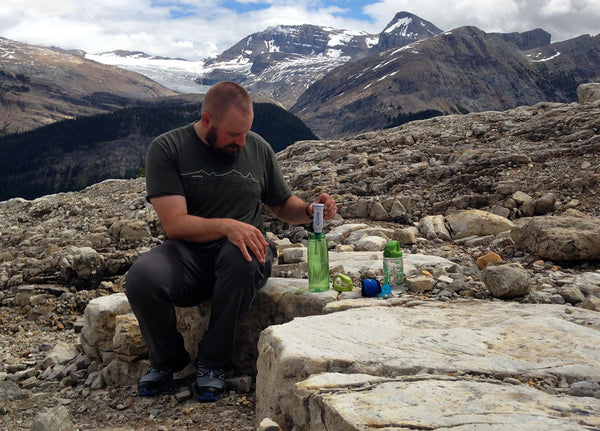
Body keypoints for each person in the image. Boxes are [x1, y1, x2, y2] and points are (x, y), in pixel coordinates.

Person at [124, 81, 337, 402]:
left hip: (242, 253)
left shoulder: (257, 148)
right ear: (207, 120)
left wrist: (308, 210)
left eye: (245, 133)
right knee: (141, 279)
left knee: (244, 257)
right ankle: (167, 360)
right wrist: (227, 226)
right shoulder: (168, 148)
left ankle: (212, 363)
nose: (241, 142)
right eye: (233, 135)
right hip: (187, 255)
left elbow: (281, 204)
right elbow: (175, 224)